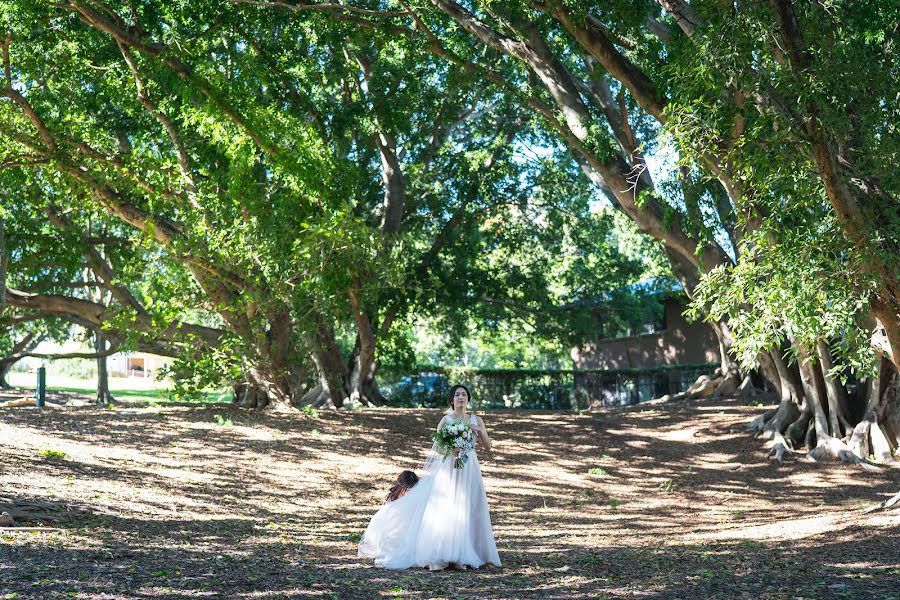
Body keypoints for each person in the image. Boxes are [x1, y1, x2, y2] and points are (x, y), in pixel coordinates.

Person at [358, 384, 501, 570]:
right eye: (457, 394)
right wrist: (452, 449)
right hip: (450, 467)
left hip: (469, 467)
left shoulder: (477, 419)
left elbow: (488, 446)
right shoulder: (446, 420)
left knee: (470, 506)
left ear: (468, 399)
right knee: (449, 507)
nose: (460, 397)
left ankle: (468, 553)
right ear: (451, 400)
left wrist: (479, 431)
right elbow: (438, 448)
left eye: (464, 394)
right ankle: (446, 553)